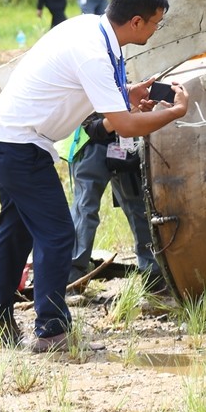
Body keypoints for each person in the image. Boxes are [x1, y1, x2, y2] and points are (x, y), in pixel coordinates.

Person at [0, 0, 188, 352]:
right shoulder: (93, 50)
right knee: (57, 234)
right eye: (156, 22)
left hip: (10, 133)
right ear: (136, 22)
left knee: (17, 229)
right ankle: (52, 331)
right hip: (20, 141)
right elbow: (122, 124)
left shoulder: (92, 29)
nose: (157, 30)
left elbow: (103, 105)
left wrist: (127, 94)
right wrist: (175, 114)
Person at [66, 112, 166, 293]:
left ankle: (154, 279)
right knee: (85, 210)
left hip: (125, 141)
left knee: (139, 209)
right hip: (91, 139)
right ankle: (71, 280)